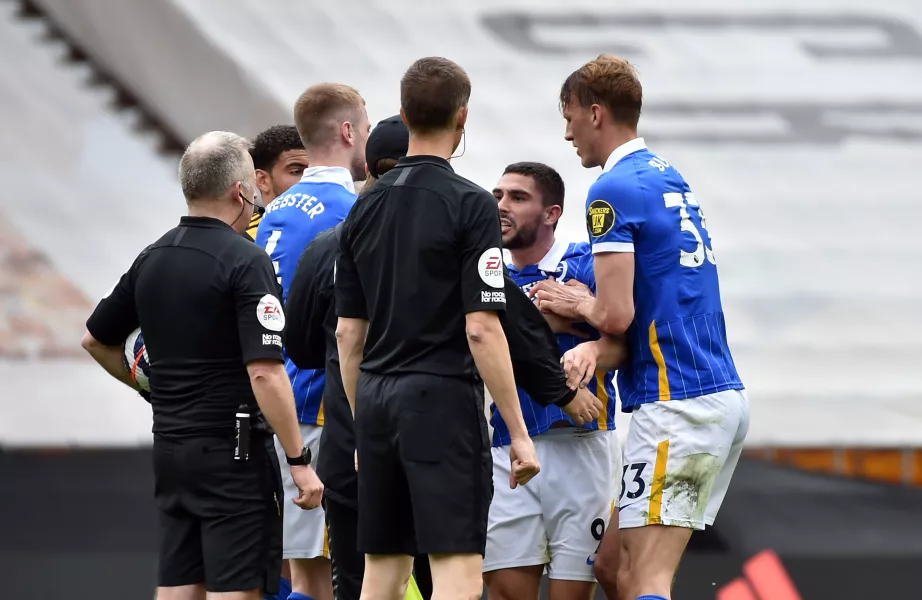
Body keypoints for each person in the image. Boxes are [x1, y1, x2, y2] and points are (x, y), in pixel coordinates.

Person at [286, 120, 605, 600]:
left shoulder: (336, 237)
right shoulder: (456, 214)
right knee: (452, 575)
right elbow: (497, 323)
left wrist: (356, 408)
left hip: (359, 430)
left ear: (371, 165)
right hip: (438, 418)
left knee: (368, 580)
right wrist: (555, 397)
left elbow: (315, 343)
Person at [531, 54, 750, 600]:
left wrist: (578, 302)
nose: (566, 133)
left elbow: (615, 315)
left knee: (648, 578)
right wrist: (593, 344)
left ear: (596, 113)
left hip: (680, 403)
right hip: (706, 393)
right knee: (612, 568)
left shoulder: (612, 189)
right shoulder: (665, 175)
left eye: (570, 117)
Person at [80, 131, 323, 600]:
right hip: (232, 451)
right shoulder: (246, 260)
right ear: (240, 191)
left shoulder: (153, 257)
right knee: (237, 588)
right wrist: (299, 461)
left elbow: (96, 340)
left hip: (170, 448)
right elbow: (265, 372)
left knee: (179, 585)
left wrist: (154, 388)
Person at [334, 56, 541, 600]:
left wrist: (361, 428)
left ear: (403, 114)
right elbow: (482, 329)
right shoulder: (472, 205)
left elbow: (347, 337)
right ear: (462, 117)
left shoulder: (362, 208)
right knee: (457, 571)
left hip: (375, 399)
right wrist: (518, 433)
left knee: (383, 571)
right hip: (442, 401)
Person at [484, 162, 625, 600]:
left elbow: (625, 344)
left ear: (552, 213)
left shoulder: (585, 263)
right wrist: (543, 327)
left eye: (518, 198)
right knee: (507, 591)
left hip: (580, 446)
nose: (502, 207)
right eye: (498, 196)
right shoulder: (489, 276)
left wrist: (582, 333)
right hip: (509, 445)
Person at [254, 83, 370, 600]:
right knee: (334, 576)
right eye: (364, 128)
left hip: (282, 402)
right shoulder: (351, 210)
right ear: (347, 132)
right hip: (328, 407)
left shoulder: (277, 211)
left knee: (304, 570)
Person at [245, 125, 310, 241]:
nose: (310, 179)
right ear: (262, 180)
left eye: (313, 170)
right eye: (296, 172)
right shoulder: (246, 242)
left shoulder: (337, 230)